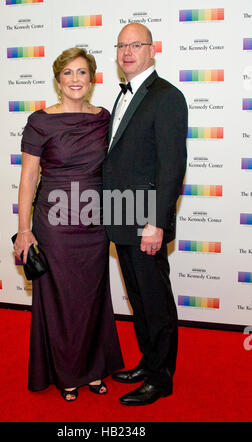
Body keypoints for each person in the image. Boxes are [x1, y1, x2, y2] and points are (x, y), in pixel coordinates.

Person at [13, 48, 123, 401]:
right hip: (55, 225)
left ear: (92, 79)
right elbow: (28, 179)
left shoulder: (103, 118)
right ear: (57, 79)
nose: (76, 79)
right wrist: (25, 230)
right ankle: (68, 373)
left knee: (91, 299)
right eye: (68, 73)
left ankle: (93, 368)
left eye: (82, 73)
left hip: (94, 224)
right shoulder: (40, 121)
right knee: (62, 300)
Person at [102, 23, 188, 406]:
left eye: (135, 45)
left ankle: (161, 378)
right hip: (121, 216)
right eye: (121, 46)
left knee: (155, 301)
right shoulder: (122, 95)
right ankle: (147, 362)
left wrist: (156, 222)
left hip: (145, 221)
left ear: (152, 50)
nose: (127, 52)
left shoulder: (167, 96)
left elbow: (171, 167)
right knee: (138, 298)